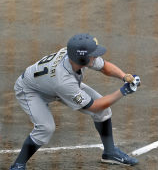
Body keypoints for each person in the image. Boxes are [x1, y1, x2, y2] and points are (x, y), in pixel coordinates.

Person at [10, 33, 141, 169]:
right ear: (82, 59)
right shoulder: (64, 81)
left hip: (51, 84)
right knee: (46, 128)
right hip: (31, 91)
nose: (96, 56)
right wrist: (123, 91)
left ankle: (110, 152)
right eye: (93, 54)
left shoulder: (75, 56)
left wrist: (124, 76)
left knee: (104, 112)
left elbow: (104, 66)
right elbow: (94, 106)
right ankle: (18, 165)